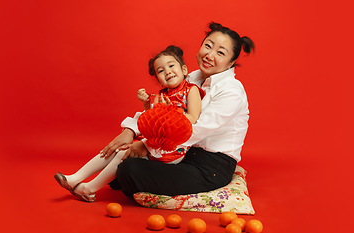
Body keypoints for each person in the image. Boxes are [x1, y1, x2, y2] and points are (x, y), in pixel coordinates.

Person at [103, 22, 255, 197]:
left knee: (128, 169)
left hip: (210, 165)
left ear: (231, 63)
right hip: (181, 153)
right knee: (121, 154)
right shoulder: (191, 77)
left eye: (220, 53)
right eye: (208, 46)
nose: (209, 55)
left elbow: (195, 129)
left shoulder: (232, 91)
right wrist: (130, 130)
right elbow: (160, 111)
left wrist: (147, 145)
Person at [54, 46, 203, 202]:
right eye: (160, 70)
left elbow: (193, 117)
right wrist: (147, 105)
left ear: (184, 69)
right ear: (158, 80)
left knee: (123, 153)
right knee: (119, 148)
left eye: (171, 66)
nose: (167, 71)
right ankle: (75, 178)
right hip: (154, 140)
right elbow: (152, 118)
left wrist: (171, 111)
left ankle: (89, 189)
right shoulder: (161, 95)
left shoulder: (191, 90)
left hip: (173, 145)